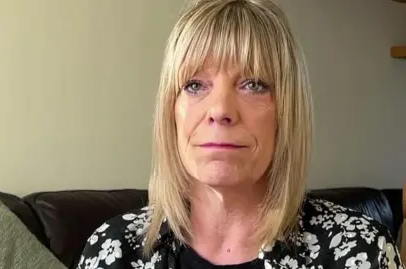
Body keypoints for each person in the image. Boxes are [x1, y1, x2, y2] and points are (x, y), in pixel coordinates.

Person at [76, 0, 403, 268]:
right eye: (194, 85)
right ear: (170, 110)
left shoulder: (359, 251)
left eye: (253, 84)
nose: (220, 110)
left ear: (286, 112)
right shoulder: (114, 248)